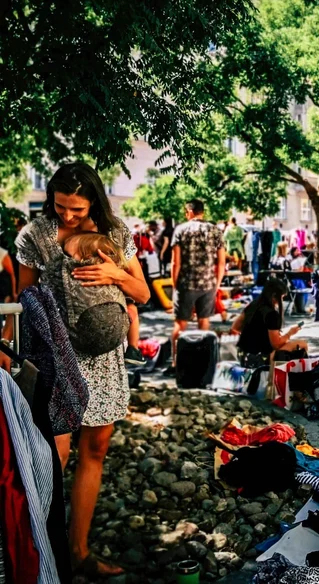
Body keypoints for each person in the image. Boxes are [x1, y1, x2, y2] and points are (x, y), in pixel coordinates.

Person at [15, 162, 150, 577]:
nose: (68, 216)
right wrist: (8, 347)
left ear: (94, 199)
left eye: (77, 209)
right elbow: (21, 296)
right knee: (54, 453)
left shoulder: (116, 234)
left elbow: (142, 292)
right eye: (60, 207)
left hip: (103, 361)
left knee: (95, 449)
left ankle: (79, 551)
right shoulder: (36, 235)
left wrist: (116, 273)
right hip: (53, 357)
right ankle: (45, 551)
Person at [165, 199, 225, 377]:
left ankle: (176, 362)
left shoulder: (181, 230)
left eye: (185, 211)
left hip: (186, 284)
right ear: (202, 212)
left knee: (180, 324)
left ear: (190, 211)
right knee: (204, 323)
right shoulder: (215, 230)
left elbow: (176, 262)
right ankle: (202, 361)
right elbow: (221, 262)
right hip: (208, 284)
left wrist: (175, 284)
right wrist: (217, 283)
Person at [232, 278, 307, 362]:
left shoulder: (254, 304)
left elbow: (235, 326)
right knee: (302, 344)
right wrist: (290, 333)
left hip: (242, 355)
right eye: (281, 297)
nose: (281, 301)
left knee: (289, 344)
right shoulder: (271, 314)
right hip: (259, 358)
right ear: (274, 296)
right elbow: (277, 345)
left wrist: (255, 332)